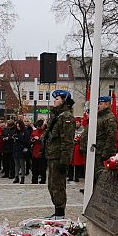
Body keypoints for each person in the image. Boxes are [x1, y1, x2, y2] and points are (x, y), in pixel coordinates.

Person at [44, 90, 75, 220]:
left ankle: (60, 214)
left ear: (64, 100)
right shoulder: (57, 116)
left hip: (59, 158)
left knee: (58, 186)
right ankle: (57, 212)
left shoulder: (66, 117)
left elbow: (67, 141)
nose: (54, 101)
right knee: (52, 185)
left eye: (57, 99)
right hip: (53, 155)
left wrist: (64, 160)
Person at [68, 117, 85, 182]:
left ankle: (77, 176)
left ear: (80, 123)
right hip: (72, 146)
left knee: (77, 163)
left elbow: (83, 138)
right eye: (75, 122)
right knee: (70, 162)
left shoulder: (83, 130)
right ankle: (70, 176)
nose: (76, 124)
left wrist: (78, 140)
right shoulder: (71, 129)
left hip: (78, 147)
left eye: (77, 122)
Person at [30, 119, 47, 184]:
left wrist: (39, 139)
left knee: (42, 168)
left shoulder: (45, 132)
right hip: (35, 152)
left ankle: (43, 180)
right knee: (34, 168)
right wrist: (32, 140)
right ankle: (34, 180)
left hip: (42, 152)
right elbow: (31, 138)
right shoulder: (34, 131)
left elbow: (46, 140)